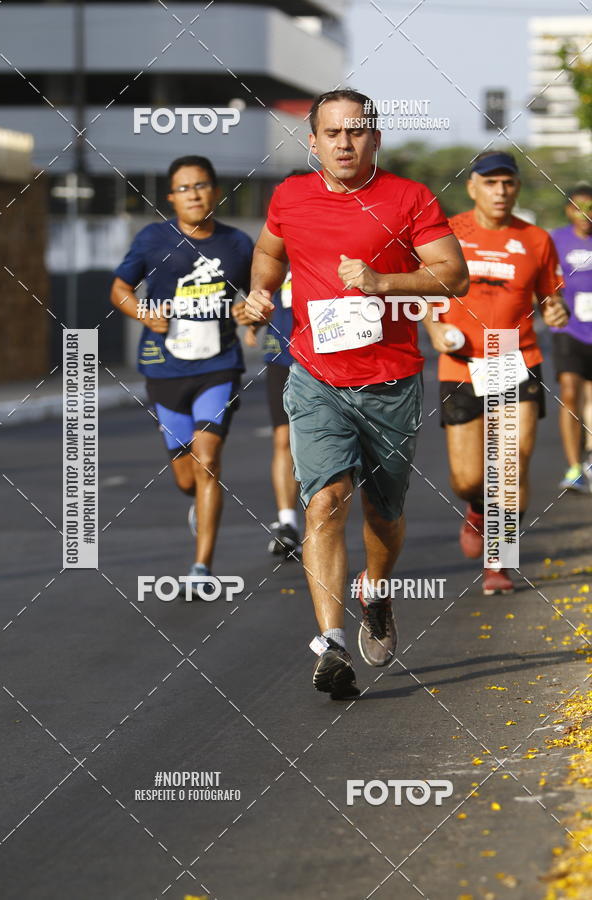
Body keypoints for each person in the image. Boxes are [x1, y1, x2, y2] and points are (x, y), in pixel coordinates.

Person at [245, 89, 469, 699]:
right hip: (315, 376)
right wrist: (263, 290)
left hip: (391, 381)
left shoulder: (409, 198)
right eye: (332, 133)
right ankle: (331, 642)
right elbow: (269, 251)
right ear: (312, 141)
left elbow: (454, 273)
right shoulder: (290, 196)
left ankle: (376, 587)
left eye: (357, 132)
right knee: (327, 500)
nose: (345, 143)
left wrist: (381, 281)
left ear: (375, 139)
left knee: (384, 512)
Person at [423, 150, 568, 596]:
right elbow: (428, 291)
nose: (500, 191)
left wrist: (556, 309)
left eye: (508, 183)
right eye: (490, 182)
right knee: (468, 478)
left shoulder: (537, 239)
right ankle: (476, 509)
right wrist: (435, 327)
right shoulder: (447, 232)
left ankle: (498, 562)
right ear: (472, 187)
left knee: (510, 462)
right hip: (462, 362)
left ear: (517, 188)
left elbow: (549, 297)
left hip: (513, 355)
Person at [110, 155, 253, 595]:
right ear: (172, 197)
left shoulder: (238, 244)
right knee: (186, 476)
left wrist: (251, 314)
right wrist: (143, 313)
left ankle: (201, 567)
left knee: (208, 460)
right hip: (165, 366)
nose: (194, 194)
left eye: (202, 185)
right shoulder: (154, 240)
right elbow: (119, 288)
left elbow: (257, 295)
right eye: (184, 188)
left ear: (215, 190)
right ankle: (198, 503)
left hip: (220, 366)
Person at [245, 266, 302, 559]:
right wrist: (253, 321)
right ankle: (288, 523)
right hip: (282, 352)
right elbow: (259, 289)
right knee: (283, 439)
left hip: (329, 352)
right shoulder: (276, 245)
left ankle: (325, 519)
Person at [551, 185, 592, 492]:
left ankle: (589, 457)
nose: (585, 214)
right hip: (569, 330)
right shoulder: (556, 239)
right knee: (569, 392)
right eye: (578, 207)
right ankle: (574, 466)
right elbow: (544, 281)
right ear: (568, 210)